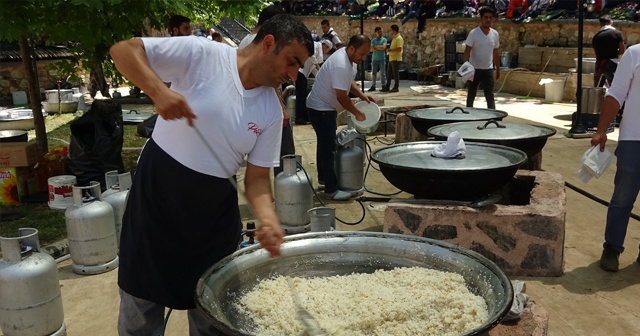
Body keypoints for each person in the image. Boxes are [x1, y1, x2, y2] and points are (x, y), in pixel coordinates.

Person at [110, 14, 313, 335]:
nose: (292, 74)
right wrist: (158, 92)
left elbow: (258, 178)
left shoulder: (272, 111)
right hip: (158, 197)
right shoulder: (203, 54)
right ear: (269, 44)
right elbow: (123, 51)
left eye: (298, 68)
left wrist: (267, 217)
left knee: (212, 308)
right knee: (140, 302)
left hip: (213, 215)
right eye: (292, 61)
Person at [306, 35, 375, 201]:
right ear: (352, 48)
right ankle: (331, 189)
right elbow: (341, 97)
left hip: (321, 108)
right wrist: (356, 112)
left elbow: (349, 82)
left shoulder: (347, 60)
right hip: (321, 109)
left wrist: (362, 96)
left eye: (366, 55)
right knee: (329, 148)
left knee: (324, 144)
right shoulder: (341, 64)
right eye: (362, 54)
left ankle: (324, 180)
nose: (363, 58)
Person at [590, 44, 640, 272]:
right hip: (633, 138)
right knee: (623, 197)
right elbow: (616, 93)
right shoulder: (634, 53)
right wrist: (601, 130)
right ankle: (612, 247)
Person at [463, 6, 500, 109]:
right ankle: (468, 115)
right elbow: (467, 51)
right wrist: (466, 67)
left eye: (490, 17)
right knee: (471, 94)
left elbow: (496, 53)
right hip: (474, 70)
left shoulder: (495, 34)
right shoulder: (474, 33)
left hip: (488, 70)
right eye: (486, 17)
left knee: (490, 95)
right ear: (481, 19)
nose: (488, 20)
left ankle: (493, 117)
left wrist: (498, 69)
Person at [592, 14, 625, 88]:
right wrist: (615, 53)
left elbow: (596, 53)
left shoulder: (596, 36)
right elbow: (622, 50)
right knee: (615, 88)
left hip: (599, 65)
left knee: (598, 89)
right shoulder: (617, 33)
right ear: (611, 22)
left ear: (600, 24)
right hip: (612, 64)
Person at [296, 40, 324, 125]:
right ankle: (299, 118)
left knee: (303, 96)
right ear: (325, 46)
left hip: (303, 75)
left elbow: (315, 71)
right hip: (301, 73)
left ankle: (304, 117)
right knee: (300, 96)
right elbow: (312, 56)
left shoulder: (317, 48)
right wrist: (319, 67)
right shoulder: (316, 45)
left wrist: (321, 77)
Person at [381, 24, 403, 93]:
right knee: (389, 73)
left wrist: (390, 50)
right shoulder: (394, 38)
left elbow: (399, 49)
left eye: (391, 30)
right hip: (392, 58)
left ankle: (396, 87)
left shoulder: (399, 38)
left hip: (396, 59)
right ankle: (387, 86)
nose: (390, 31)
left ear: (394, 30)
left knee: (395, 74)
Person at [369, 27, 387, 92]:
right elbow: (371, 49)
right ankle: (373, 86)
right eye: (378, 32)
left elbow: (384, 47)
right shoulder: (373, 40)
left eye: (381, 31)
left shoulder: (384, 39)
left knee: (383, 73)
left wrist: (375, 47)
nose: (380, 33)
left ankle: (383, 85)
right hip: (374, 59)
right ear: (376, 33)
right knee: (373, 73)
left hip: (382, 58)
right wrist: (379, 47)